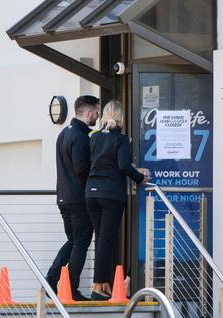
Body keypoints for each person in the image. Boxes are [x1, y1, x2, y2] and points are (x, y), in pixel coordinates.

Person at [85, 100, 150, 300]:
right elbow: (123, 165)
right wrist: (140, 177)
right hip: (110, 194)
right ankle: (97, 288)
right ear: (122, 117)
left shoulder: (93, 137)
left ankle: (102, 284)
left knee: (101, 239)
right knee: (105, 239)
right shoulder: (120, 139)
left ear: (104, 116)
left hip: (91, 193)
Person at [45, 95, 100, 301]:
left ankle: (51, 279)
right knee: (81, 242)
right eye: (96, 112)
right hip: (78, 199)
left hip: (64, 197)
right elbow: (82, 168)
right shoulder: (80, 136)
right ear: (87, 112)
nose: (97, 116)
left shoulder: (64, 133)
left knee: (74, 240)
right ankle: (72, 290)